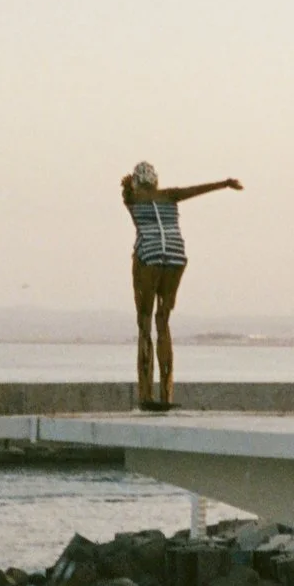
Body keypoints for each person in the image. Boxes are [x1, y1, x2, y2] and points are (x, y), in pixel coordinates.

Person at [121, 162, 241, 410]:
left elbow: (127, 196)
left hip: (150, 257)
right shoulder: (169, 195)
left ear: (136, 181)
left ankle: (146, 395)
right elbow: (195, 190)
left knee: (144, 323)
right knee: (163, 322)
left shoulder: (133, 198)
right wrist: (225, 183)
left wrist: (126, 187)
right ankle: (167, 394)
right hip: (175, 257)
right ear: (155, 180)